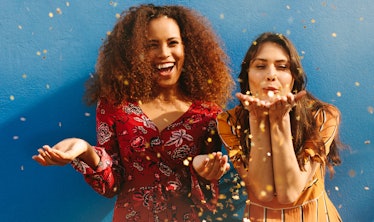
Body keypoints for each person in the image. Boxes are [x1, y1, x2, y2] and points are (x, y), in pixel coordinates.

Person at [33, 4, 235, 221]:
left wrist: (203, 174)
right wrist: (84, 150)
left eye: (173, 43)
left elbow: (210, 199)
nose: (164, 53)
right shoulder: (115, 106)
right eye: (152, 45)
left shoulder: (208, 114)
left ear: (189, 48)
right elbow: (111, 186)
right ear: (134, 52)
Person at [216, 32, 345, 221]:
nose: (271, 75)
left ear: (294, 77)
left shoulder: (322, 116)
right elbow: (262, 192)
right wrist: (257, 120)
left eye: (282, 67)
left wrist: (280, 121)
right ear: (247, 76)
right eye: (260, 66)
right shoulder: (229, 122)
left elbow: (289, 194)